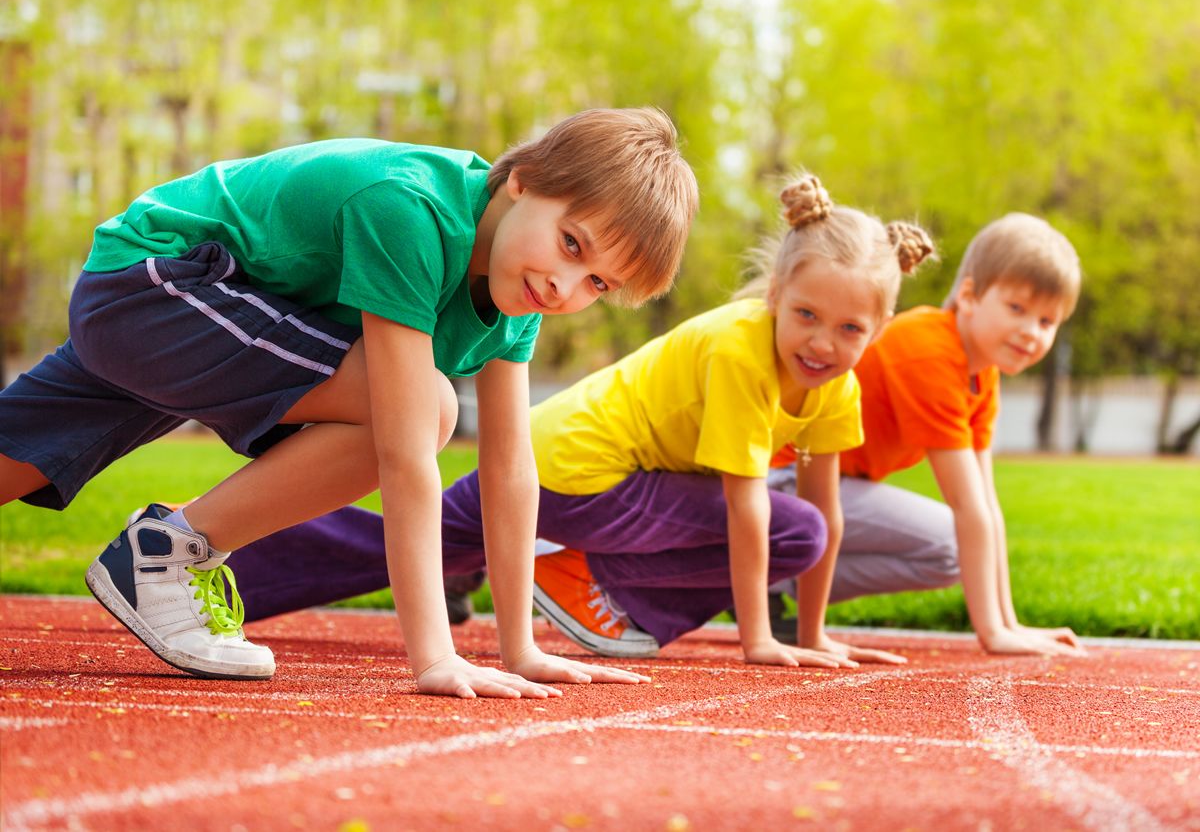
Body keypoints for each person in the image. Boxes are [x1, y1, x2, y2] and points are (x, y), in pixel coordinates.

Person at [0, 107, 698, 697]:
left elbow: (511, 469)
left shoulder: (519, 292)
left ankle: (165, 551)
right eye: (571, 244)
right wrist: (434, 657)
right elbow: (401, 447)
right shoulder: (410, 210)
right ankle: (165, 552)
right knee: (427, 410)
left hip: (183, 313)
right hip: (157, 285)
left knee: (16, 458)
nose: (564, 286)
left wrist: (519, 648)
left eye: (598, 284)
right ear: (522, 183)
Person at [221, 173, 936, 669]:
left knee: (408, 541)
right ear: (777, 293)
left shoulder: (833, 382)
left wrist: (815, 634)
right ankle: (585, 585)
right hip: (582, 473)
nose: (821, 342)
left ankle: (216, 579)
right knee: (792, 531)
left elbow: (832, 510)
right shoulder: (740, 351)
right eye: (806, 315)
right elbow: (751, 511)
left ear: (880, 328)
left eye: (848, 329)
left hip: (558, 461)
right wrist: (760, 641)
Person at [767, 212, 1086, 657]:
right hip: (784, 480)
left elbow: (988, 504)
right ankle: (753, 565)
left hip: (834, 486)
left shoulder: (982, 373)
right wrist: (992, 633)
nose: (1030, 332)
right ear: (971, 296)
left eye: (1047, 322)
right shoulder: (928, 351)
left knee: (950, 553)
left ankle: (777, 578)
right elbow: (966, 505)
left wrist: (1013, 623)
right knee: (953, 538)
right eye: (1017, 309)